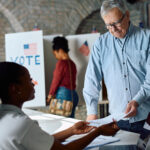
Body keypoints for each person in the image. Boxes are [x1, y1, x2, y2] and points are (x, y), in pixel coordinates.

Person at [0, 62, 119, 150]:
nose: (33, 83)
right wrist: (98, 132)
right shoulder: (22, 124)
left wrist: (71, 131)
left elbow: (41, 141)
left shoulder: (6, 116)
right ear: (15, 89)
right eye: (29, 80)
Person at [83, 0, 150, 133]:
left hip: (147, 117)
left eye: (116, 23)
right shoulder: (101, 45)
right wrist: (91, 112)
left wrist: (136, 101)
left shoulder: (147, 38)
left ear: (127, 15)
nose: (113, 29)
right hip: (118, 120)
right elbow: (91, 79)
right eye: (108, 25)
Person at [47, 36, 78, 118]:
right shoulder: (72, 63)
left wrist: (50, 95)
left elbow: (56, 80)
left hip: (63, 95)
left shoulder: (61, 63)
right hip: (73, 94)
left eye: (55, 53)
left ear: (60, 50)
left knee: (62, 122)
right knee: (70, 122)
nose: (55, 56)